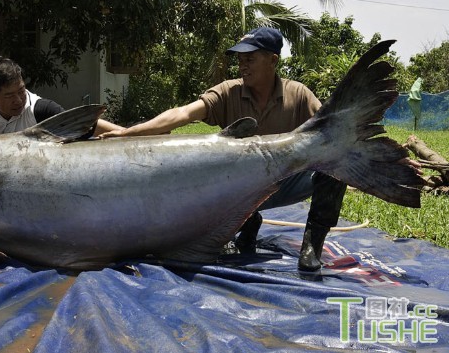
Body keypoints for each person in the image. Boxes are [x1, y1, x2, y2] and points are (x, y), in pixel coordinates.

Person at [100, 27, 348, 271]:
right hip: (236, 189)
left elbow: (330, 128)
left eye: (249, 59)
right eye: (240, 60)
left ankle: (312, 245)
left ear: (273, 60)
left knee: (336, 163)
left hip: (285, 181)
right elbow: (183, 113)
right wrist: (128, 132)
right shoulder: (229, 92)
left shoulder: (299, 94)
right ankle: (244, 222)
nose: (243, 65)